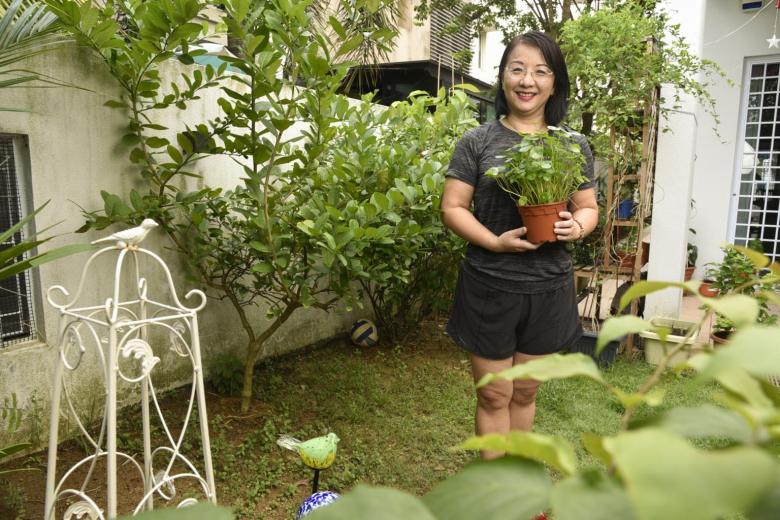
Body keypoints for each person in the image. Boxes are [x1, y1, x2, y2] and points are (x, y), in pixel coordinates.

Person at [441, 31, 598, 459]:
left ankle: (518, 483)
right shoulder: (477, 142)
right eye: (518, 69)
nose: (527, 80)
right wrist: (494, 242)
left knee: (525, 392)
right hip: (489, 286)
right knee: (494, 395)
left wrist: (576, 227)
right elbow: (452, 207)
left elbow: (588, 208)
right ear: (503, 77)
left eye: (540, 71)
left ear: (554, 82)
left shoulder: (572, 145)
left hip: (548, 287)